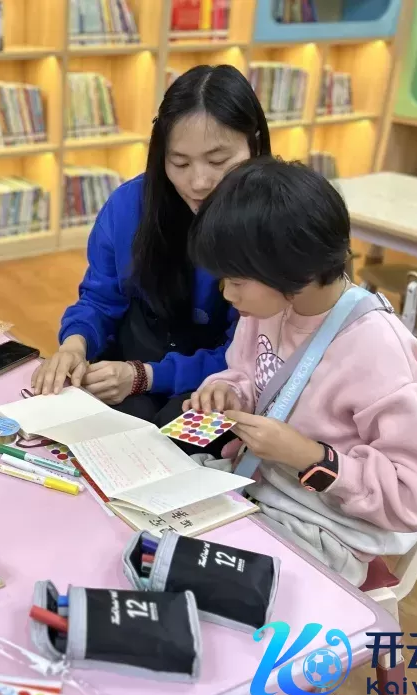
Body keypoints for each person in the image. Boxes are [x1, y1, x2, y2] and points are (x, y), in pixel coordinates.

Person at [185, 157, 417, 586]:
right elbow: (252, 376)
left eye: (237, 281)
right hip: (253, 485)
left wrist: (312, 458)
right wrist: (227, 392)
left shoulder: (379, 354)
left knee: (193, 577)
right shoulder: (267, 308)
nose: (227, 294)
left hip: (324, 529)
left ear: (298, 268)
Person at [30, 65, 270, 425]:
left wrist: (145, 376)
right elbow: (99, 299)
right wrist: (74, 345)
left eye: (218, 161)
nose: (199, 182)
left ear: (255, 143)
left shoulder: (270, 226)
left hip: (221, 382)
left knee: (177, 431)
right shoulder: (129, 205)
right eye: (180, 162)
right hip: (132, 364)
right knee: (101, 427)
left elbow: (252, 353)